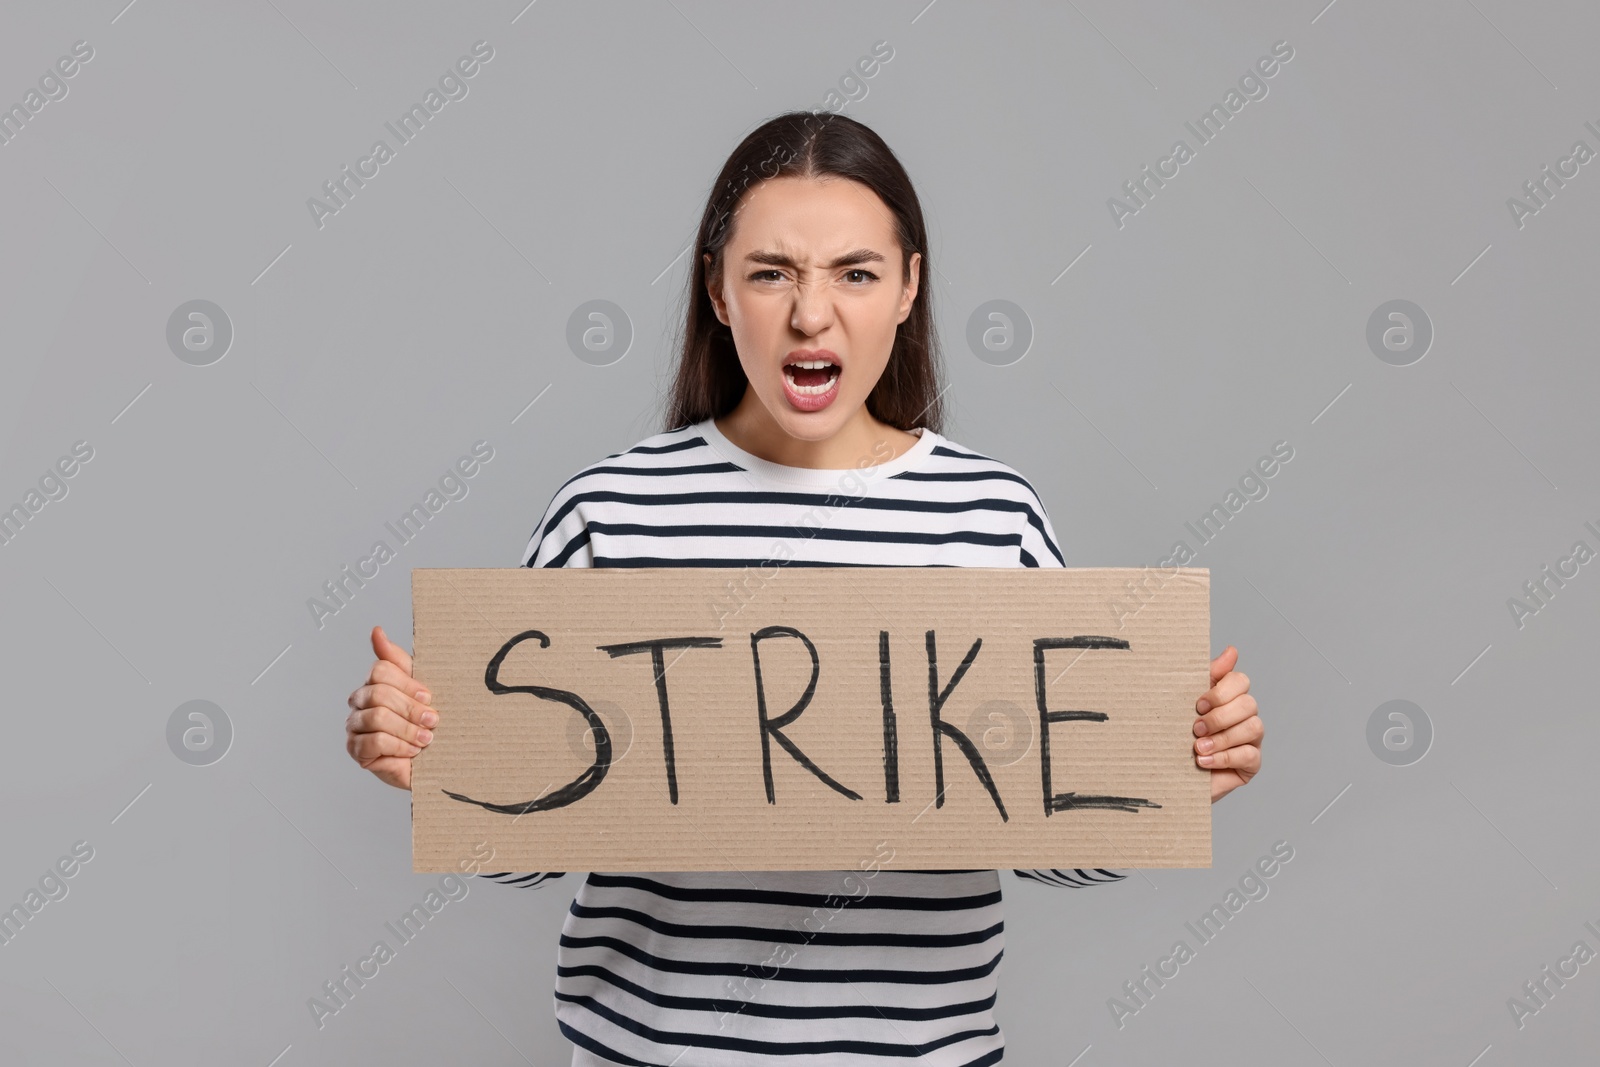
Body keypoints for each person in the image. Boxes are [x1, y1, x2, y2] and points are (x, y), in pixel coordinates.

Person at [345, 110, 1264, 1066]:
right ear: (717, 288)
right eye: (771, 272)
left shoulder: (991, 513)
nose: (810, 314)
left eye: (856, 273)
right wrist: (439, 770)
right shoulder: (611, 509)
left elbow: (1048, 840)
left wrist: (1173, 772)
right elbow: (531, 850)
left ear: (909, 287)